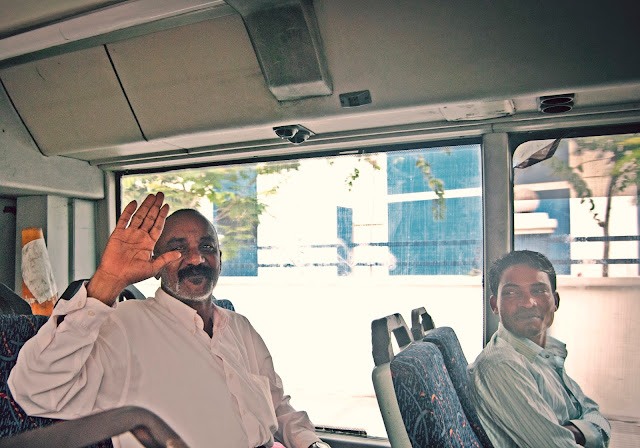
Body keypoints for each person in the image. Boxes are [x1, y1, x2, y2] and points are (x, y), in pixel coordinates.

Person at [9, 193, 330, 448]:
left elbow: (277, 404)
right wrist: (107, 281)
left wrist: (311, 443)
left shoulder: (240, 327)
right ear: (156, 265)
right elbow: (36, 391)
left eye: (207, 247)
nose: (196, 258)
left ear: (220, 260)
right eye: (178, 249)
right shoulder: (122, 325)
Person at [467, 250, 611, 448]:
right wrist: (583, 431)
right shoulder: (501, 366)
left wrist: (572, 432)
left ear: (555, 301)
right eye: (512, 293)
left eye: (539, 291)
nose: (528, 303)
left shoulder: (545, 354)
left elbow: (594, 413)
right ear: (494, 305)